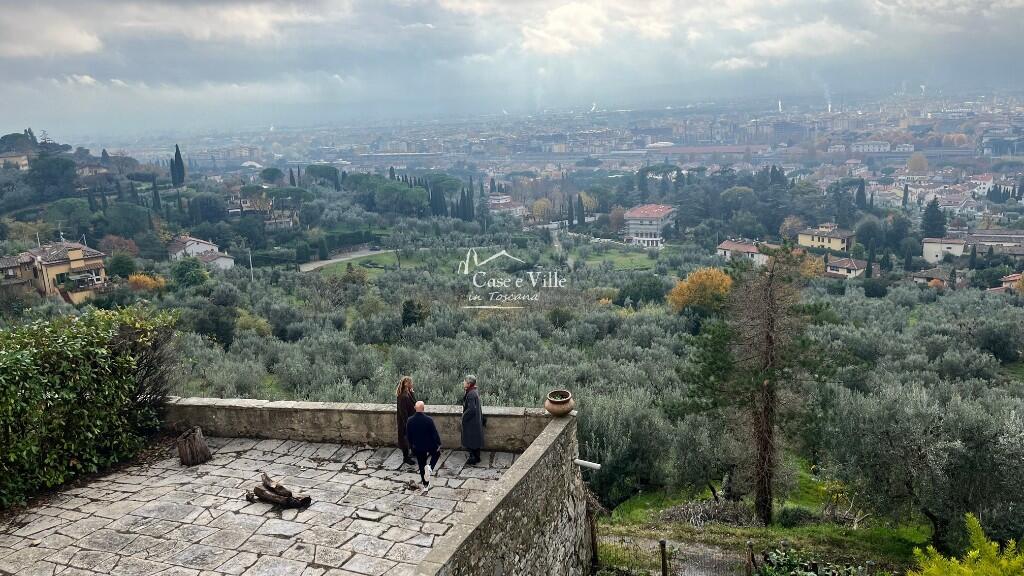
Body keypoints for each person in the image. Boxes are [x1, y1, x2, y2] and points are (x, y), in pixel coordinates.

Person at [405, 401, 441, 486]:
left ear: (415, 408)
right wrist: (438, 444)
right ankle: (430, 468)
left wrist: (411, 446)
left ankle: (425, 483)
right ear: (423, 408)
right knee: (436, 454)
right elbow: (434, 433)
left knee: (421, 464)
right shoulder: (429, 420)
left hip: (417, 446)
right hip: (429, 445)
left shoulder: (410, 420)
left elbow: (408, 435)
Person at [461, 374, 485, 465]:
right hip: (476, 420)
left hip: (471, 422)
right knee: (475, 440)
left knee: (470, 440)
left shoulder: (471, 394)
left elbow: (471, 409)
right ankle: (477, 457)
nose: (463, 383)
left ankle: (473, 458)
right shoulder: (474, 391)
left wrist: (464, 417)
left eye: (464, 381)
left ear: (469, 383)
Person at [395, 376, 417, 465]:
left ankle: (414, 452)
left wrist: (412, 393)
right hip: (405, 422)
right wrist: (407, 424)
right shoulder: (402, 397)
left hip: (411, 420)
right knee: (405, 439)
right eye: (410, 382)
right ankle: (406, 458)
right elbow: (403, 412)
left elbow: (414, 403)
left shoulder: (408, 393)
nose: (412, 384)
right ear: (406, 384)